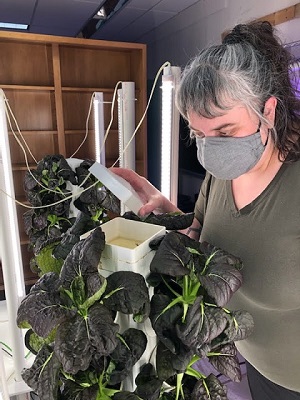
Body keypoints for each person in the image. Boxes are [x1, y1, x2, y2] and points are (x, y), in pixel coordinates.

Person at [112, 21, 300, 400]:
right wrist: (169, 215)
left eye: (225, 132)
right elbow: (201, 234)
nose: (210, 149)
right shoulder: (220, 176)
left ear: (268, 110)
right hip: (260, 372)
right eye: (198, 134)